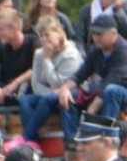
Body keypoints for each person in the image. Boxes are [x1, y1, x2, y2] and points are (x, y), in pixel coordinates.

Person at [58, 14, 127, 121]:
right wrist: (65, 89)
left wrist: (90, 112)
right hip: (106, 94)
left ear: (113, 33)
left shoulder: (126, 52)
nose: (95, 38)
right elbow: (80, 74)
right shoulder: (96, 50)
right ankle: (73, 136)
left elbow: (112, 81)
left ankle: (106, 131)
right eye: (93, 34)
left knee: (111, 90)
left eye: (99, 34)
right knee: (71, 97)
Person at [18, 15, 83, 149]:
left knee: (52, 98)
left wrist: (47, 60)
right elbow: (35, 85)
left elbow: (60, 84)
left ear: (59, 33)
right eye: (41, 36)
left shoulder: (71, 54)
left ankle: (26, 137)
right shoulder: (39, 54)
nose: (44, 40)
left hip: (72, 93)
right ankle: (33, 143)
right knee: (25, 100)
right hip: (49, 96)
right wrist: (51, 93)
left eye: (48, 35)